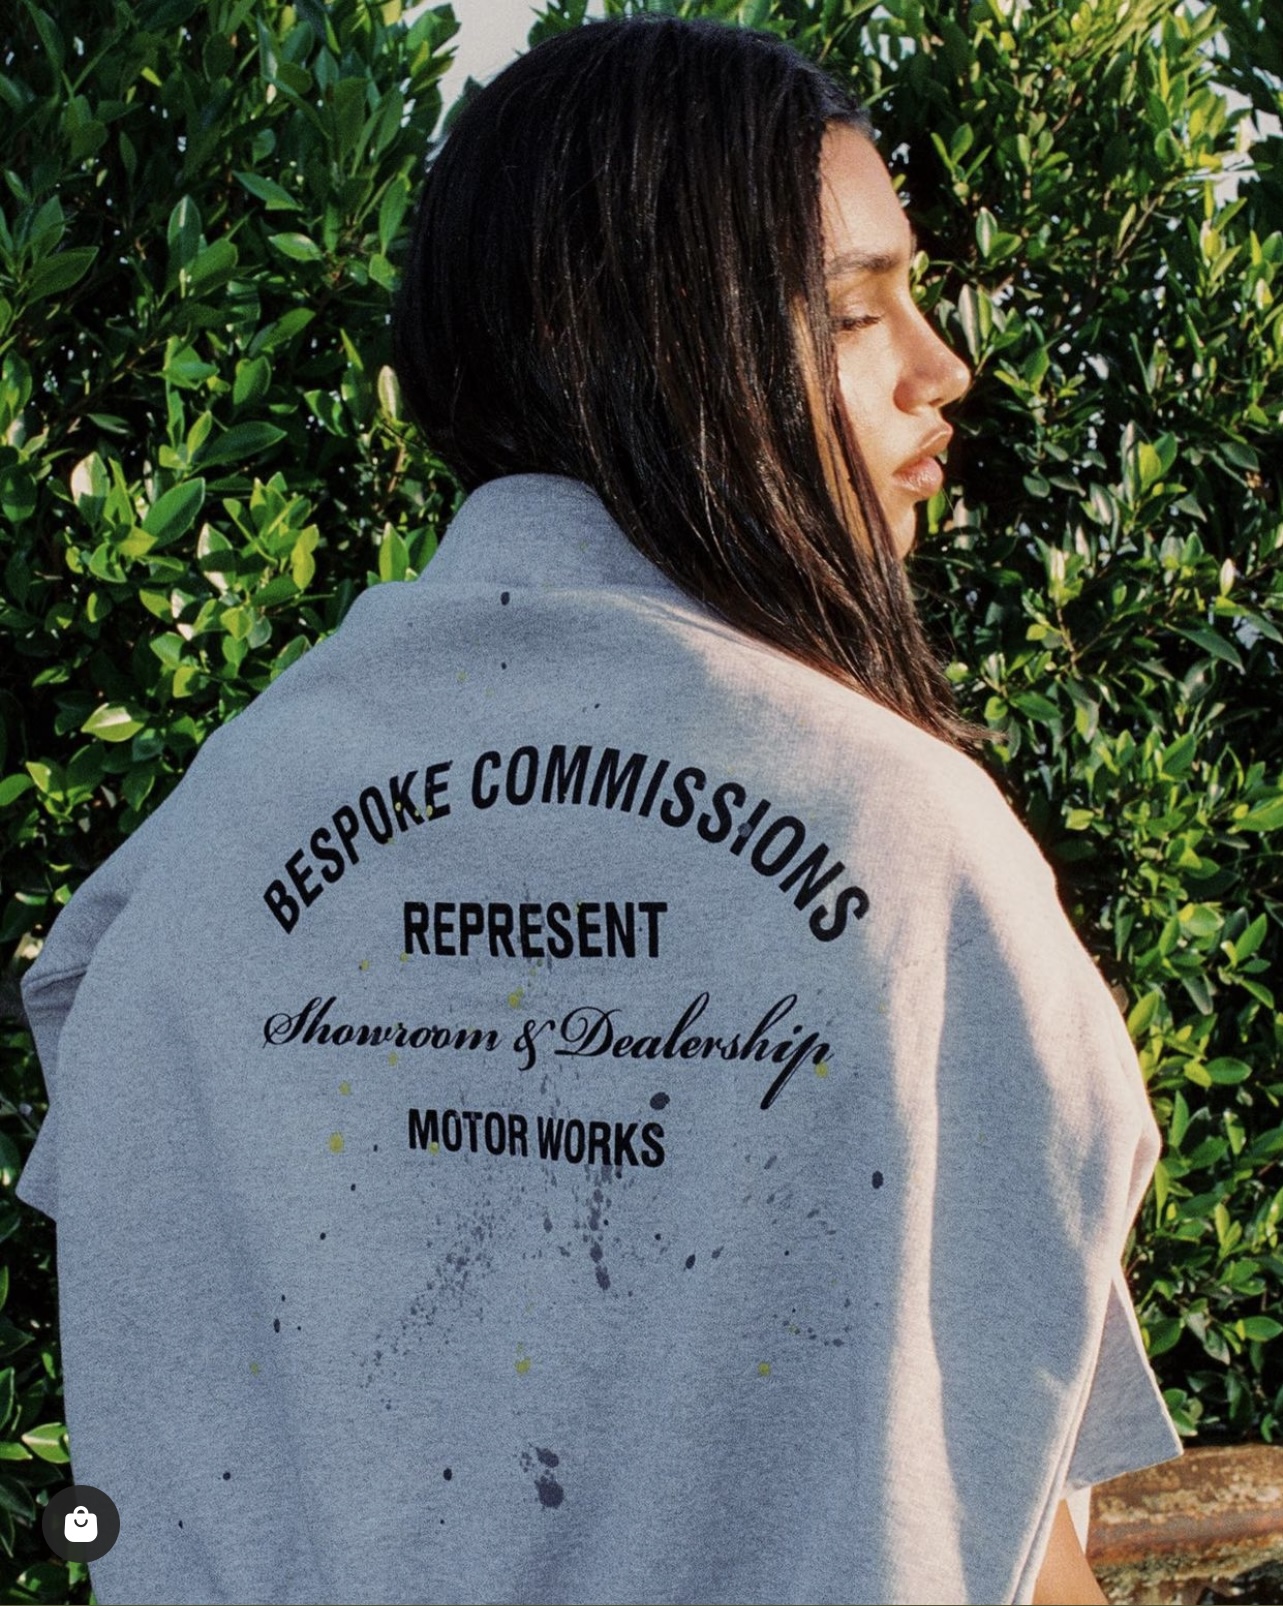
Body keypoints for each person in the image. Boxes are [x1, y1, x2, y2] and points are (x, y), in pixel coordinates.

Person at [17, 14, 1181, 1605]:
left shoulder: (205, 842)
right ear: (653, 343)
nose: (942, 368)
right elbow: (993, 1503)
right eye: (858, 310)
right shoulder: (910, 850)